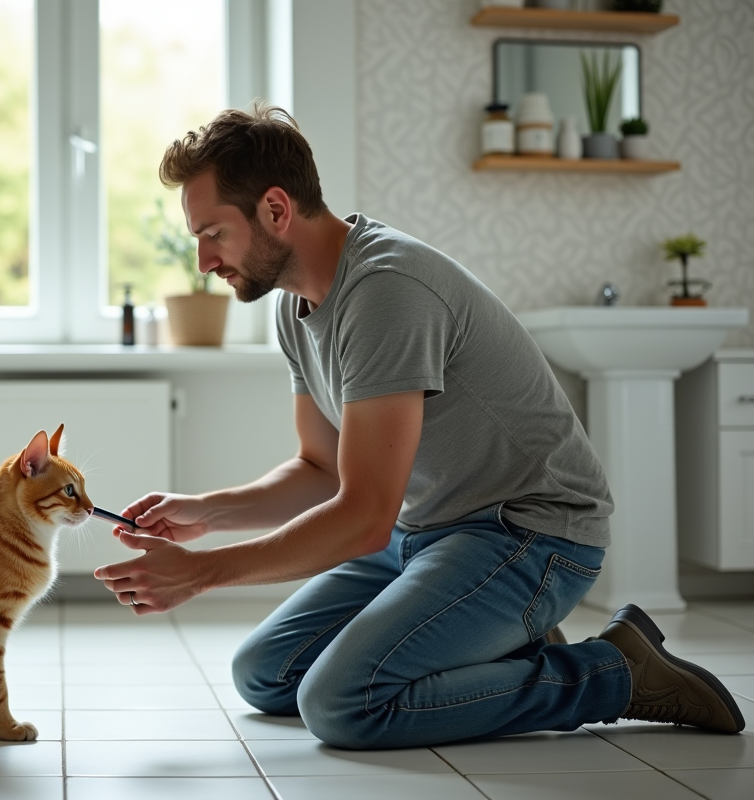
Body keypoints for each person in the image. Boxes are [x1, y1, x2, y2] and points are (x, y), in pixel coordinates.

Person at [93, 102, 745, 748]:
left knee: (341, 704)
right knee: (265, 674)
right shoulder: (295, 309)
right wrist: (207, 512)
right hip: (429, 529)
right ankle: (505, 634)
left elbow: (365, 514)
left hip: (532, 533)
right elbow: (321, 469)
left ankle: (611, 673)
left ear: (274, 210)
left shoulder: (386, 291)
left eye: (213, 233)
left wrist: (203, 572)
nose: (204, 261)